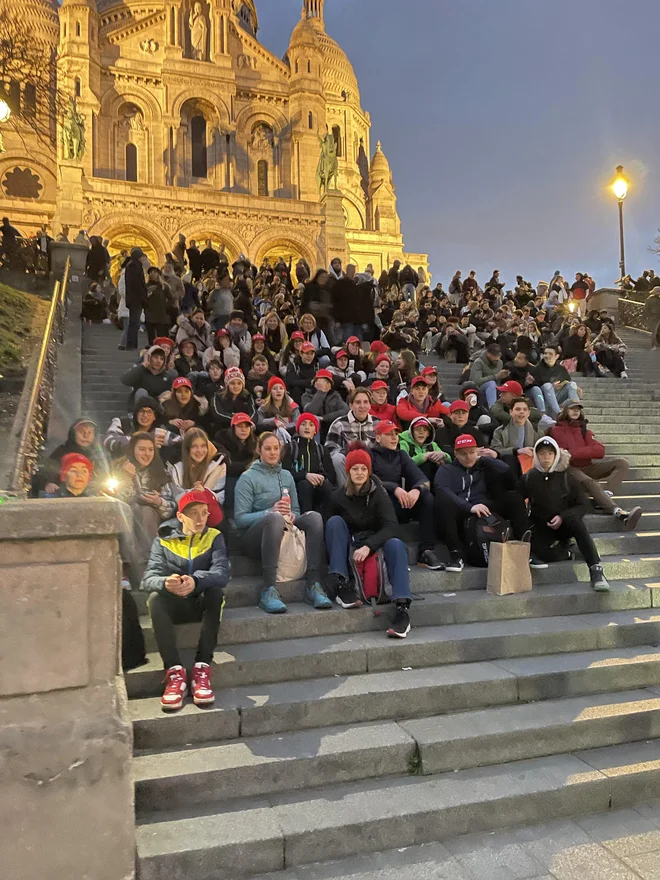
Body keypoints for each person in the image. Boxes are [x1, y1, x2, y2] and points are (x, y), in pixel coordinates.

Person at [143, 489, 230, 711]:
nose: (201, 519)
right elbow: (148, 579)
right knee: (154, 599)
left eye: (204, 513)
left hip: (200, 600)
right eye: (194, 514)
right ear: (180, 517)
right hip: (175, 603)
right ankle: (174, 671)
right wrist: (166, 583)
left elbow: (222, 573)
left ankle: (202, 667)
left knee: (216, 593)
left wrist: (196, 580)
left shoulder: (214, 536)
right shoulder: (163, 539)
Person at [234, 432, 331, 613]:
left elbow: (295, 509)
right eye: (268, 449)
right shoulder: (247, 478)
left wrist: (293, 516)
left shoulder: (286, 476)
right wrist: (269, 512)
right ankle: (269, 589)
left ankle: (313, 584)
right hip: (253, 537)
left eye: (276, 449)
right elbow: (240, 519)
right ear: (259, 450)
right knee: (274, 518)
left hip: (284, 527)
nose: (272, 453)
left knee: (314, 518)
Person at [325, 444, 413, 637]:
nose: (359, 473)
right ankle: (340, 583)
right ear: (348, 471)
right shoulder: (338, 496)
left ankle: (402, 609)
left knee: (396, 544)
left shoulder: (378, 492)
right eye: (355, 468)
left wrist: (369, 545)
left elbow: (391, 526)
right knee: (334, 522)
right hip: (351, 542)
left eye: (364, 468)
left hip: (376, 540)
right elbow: (330, 531)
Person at [434, 434, 533, 571]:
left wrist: (485, 459)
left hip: (483, 506)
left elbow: (505, 470)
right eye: (463, 454)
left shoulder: (482, 466)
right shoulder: (446, 470)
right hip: (460, 509)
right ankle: (456, 554)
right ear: (455, 454)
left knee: (514, 497)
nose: (468, 457)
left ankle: (525, 547)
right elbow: (442, 490)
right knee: (445, 503)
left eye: (472, 452)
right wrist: (469, 507)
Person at [521, 437, 610, 590]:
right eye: (542, 454)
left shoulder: (568, 477)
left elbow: (583, 505)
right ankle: (569, 553)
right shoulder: (529, 477)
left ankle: (596, 569)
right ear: (536, 455)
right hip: (542, 528)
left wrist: (562, 517)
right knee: (539, 555)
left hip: (566, 525)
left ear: (556, 455)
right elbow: (516, 499)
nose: (546, 458)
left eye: (550, 453)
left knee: (575, 520)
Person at [549, 400, 641, 530]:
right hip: (569, 468)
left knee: (622, 463)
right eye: (572, 409)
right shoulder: (554, 430)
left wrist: (571, 452)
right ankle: (619, 513)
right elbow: (558, 455)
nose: (575, 411)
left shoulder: (583, 429)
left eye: (578, 409)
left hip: (588, 466)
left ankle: (604, 497)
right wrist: (582, 452)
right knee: (590, 482)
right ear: (565, 410)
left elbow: (599, 451)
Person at [370, 420, 443, 570]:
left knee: (427, 498)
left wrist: (416, 490)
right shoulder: (370, 453)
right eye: (389, 434)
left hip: (400, 504)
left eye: (396, 434)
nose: (394, 437)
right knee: (384, 498)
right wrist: (394, 487)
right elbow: (367, 480)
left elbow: (423, 480)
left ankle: (425, 551)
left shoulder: (401, 455)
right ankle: (393, 554)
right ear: (378, 438)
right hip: (378, 505)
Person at [114, 431, 177, 578]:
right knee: (133, 509)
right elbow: (115, 500)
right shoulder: (119, 469)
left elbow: (170, 509)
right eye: (142, 449)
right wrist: (126, 477)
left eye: (150, 449)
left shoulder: (161, 472)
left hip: (152, 519)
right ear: (132, 450)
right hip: (126, 517)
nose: (147, 453)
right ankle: (129, 567)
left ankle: (148, 565)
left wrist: (159, 501)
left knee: (145, 511)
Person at [37, 417, 107, 495]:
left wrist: (101, 484)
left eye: (90, 432)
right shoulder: (62, 452)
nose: (85, 436)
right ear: (73, 434)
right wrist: (49, 483)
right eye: (81, 431)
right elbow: (45, 470)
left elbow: (107, 475)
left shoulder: (100, 455)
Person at [281, 413, 333, 515]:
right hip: (298, 488)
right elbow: (284, 472)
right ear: (298, 428)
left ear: (315, 430)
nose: (307, 427)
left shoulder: (322, 450)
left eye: (311, 425)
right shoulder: (290, 448)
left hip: (319, 487)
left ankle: (325, 523)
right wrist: (305, 475)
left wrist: (320, 478)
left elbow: (331, 476)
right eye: (303, 424)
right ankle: (306, 521)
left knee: (327, 486)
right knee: (304, 485)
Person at [325, 387, 379, 486]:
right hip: (348, 465)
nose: (362, 406)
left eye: (366, 402)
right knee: (337, 458)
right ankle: (347, 493)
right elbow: (330, 449)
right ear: (351, 405)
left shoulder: (378, 423)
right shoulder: (339, 423)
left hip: (372, 463)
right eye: (358, 402)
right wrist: (351, 455)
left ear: (370, 405)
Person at [168, 428, 227, 505]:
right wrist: (193, 493)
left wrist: (204, 493)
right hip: (184, 510)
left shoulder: (218, 466)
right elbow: (175, 498)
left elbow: (220, 498)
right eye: (194, 446)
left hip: (208, 510)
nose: (199, 450)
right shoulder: (176, 468)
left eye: (203, 446)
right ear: (187, 449)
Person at [491, 396, 540, 473]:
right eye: (518, 409)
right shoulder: (500, 431)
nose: (521, 412)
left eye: (525, 409)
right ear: (511, 412)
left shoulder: (537, 431)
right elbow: (495, 450)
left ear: (528, 413)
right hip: (507, 465)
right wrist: (516, 451)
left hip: (530, 464)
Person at [300, 368, 349, 440]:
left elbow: (345, 410)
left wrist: (324, 418)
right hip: (315, 431)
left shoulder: (335, 395)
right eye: (321, 381)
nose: (324, 385)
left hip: (330, 426)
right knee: (315, 420)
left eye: (326, 382)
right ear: (315, 383)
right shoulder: (307, 395)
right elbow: (310, 412)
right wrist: (321, 392)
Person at [399, 415, 449, 482]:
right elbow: (404, 464)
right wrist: (424, 456)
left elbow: (449, 461)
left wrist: (444, 455)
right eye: (417, 430)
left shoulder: (433, 445)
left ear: (428, 433)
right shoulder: (404, 443)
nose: (421, 432)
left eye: (425, 430)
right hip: (412, 481)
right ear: (412, 432)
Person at [534, 345, 580, 416]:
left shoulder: (561, 369)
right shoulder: (537, 368)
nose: (547, 356)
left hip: (558, 397)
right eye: (545, 353)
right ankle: (558, 413)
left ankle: (575, 409)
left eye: (550, 354)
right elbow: (535, 388)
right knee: (547, 386)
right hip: (544, 399)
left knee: (572, 384)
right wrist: (552, 387)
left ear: (557, 356)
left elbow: (568, 382)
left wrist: (576, 389)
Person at [207, 366, 256, 432]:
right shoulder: (217, 396)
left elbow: (254, 413)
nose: (236, 386)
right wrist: (238, 419)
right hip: (223, 429)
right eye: (232, 383)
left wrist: (245, 421)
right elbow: (217, 414)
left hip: (244, 428)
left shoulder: (248, 396)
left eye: (239, 383)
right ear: (227, 385)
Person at [255, 375, 300, 443]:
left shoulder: (293, 407)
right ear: (270, 392)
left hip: (290, 438)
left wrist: (284, 426)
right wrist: (273, 422)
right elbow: (259, 422)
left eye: (281, 388)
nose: (278, 391)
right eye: (275, 389)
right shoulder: (263, 408)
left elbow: (297, 422)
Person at [122, 248, 148, 350]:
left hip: (134, 299)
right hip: (136, 299)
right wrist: (144, 297)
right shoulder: (134, 266)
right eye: (142, 257)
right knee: (134, 322)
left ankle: (132, 344)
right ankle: (131, 344)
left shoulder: (132, 265)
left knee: (134, 322)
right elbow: (136, 284)